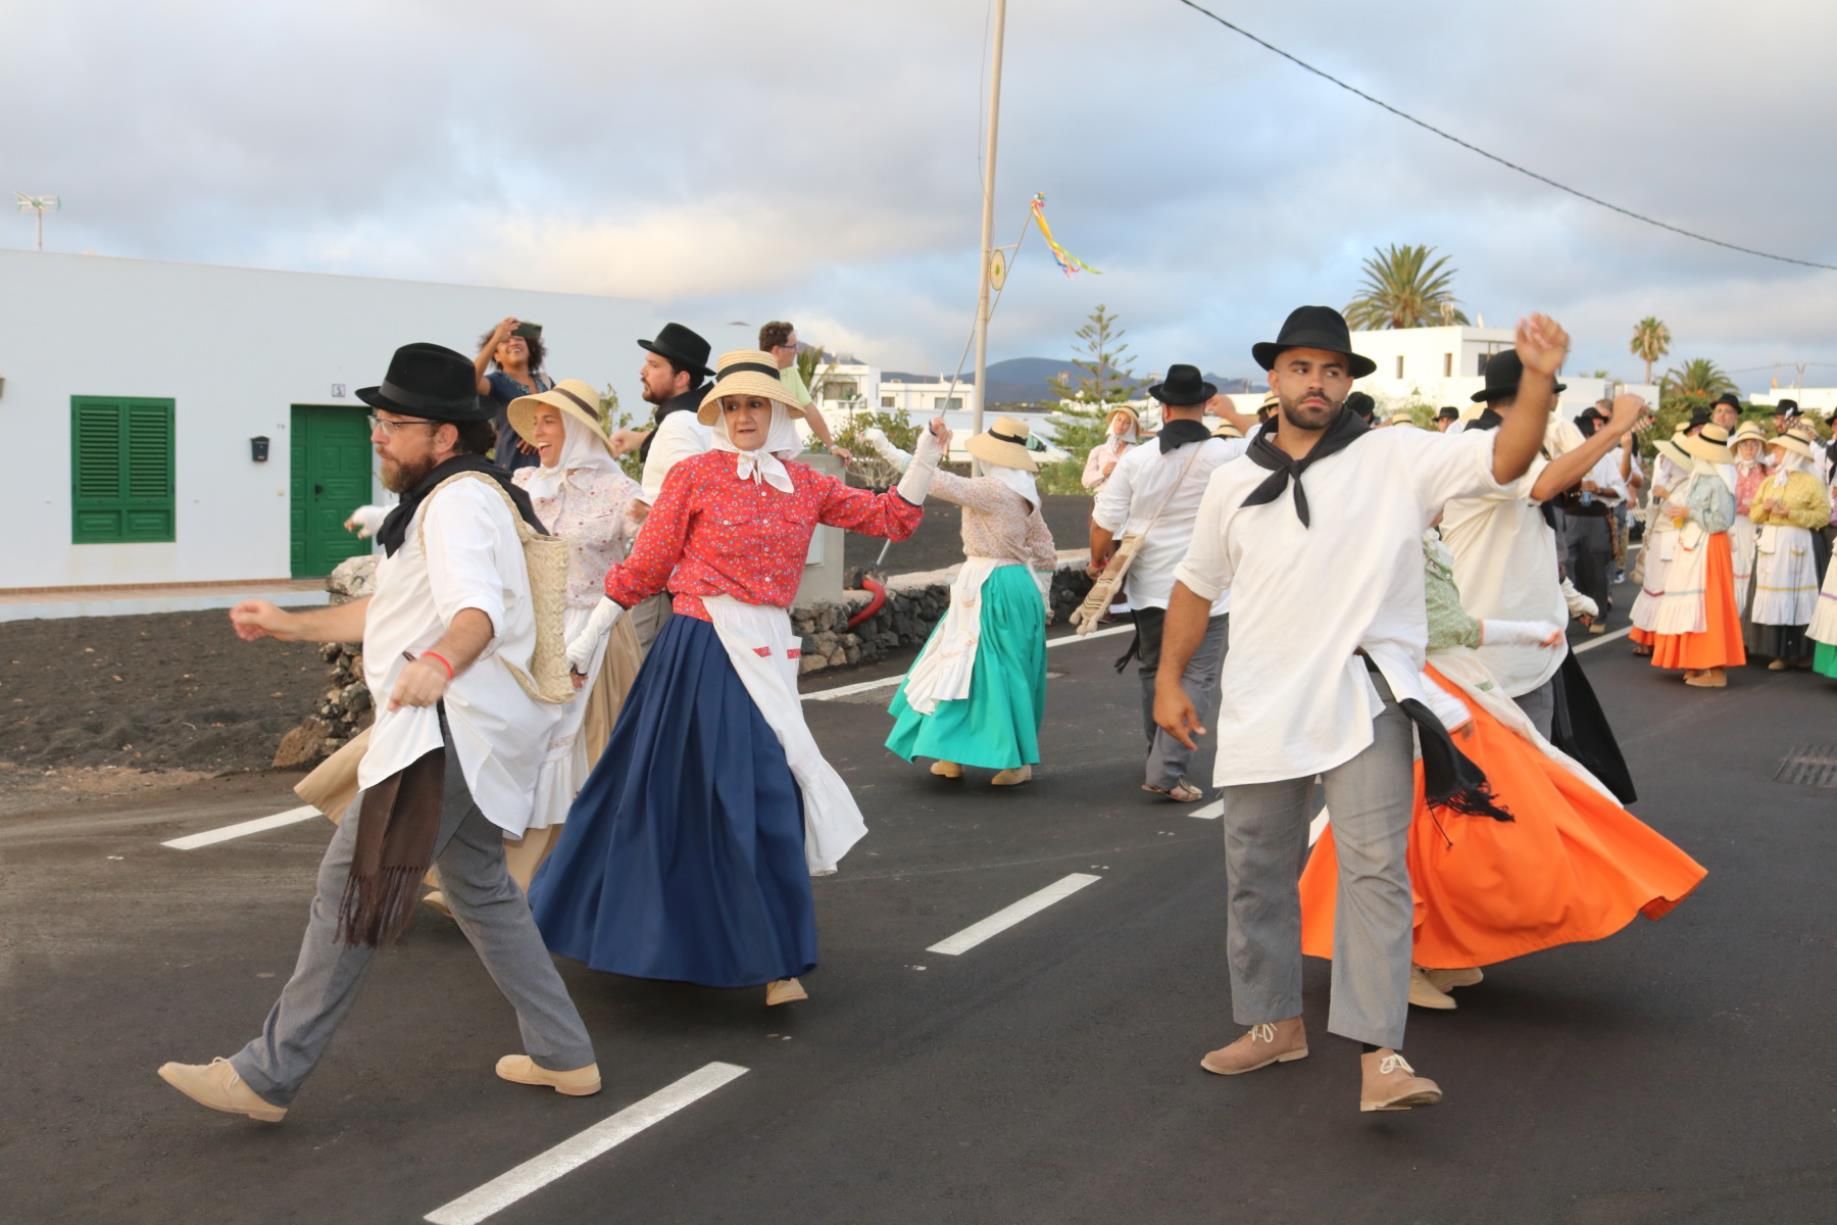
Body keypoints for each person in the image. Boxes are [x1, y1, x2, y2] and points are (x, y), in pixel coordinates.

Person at [159, 343, 600, 1123]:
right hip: (463, 731)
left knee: (353, 890)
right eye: (378, 419)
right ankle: (565, 1054)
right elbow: (387, 612)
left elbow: (476, 613)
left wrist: (438, 661)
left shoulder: (459, 501)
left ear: (444, 434)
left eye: (395, 422)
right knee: (483, 891)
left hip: (446, 731)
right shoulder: (437, 500)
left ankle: (267, 1075)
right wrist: (290, 625)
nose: (377, 434)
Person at [1155, 304, 1570, 1113]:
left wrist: (1539, 381)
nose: (1318, 382)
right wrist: (1170, 678)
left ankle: (1382, 1054)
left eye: (1333, 370)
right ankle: (1273, 1023)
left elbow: (1506, 456)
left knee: (1375, 869)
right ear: (1272, 379)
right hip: (1262, 698)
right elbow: (1195, 584)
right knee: (1256, 872)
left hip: (1365, 691)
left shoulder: (1395, 456)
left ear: (1347, 383)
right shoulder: (1232, 479)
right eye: (1302, 367)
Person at [529, 351, 945, 1007]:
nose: (743, 415)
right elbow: (645, 564)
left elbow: (891, 516)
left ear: (777, 410)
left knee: (763, 796)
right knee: (662, 795)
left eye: (755, 403)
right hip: (696, 650)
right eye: (732, 405)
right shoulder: (694, 474)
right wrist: (588, 636)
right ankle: (648, 936)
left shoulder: (805, 484)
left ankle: (775, 958)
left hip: (765, 652)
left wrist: (923, 457)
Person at [1298, 531, 1705, 1008]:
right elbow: (1378, 637)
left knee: (1482, 819)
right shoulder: (1381, 539)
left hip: (1448, 688)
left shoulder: (1417, 534)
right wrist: (1438, 701)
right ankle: (1399, 959)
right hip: (1409, 697)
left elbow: (1451, 627)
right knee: (1423, 827)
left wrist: (1524, 633)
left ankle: (1436, 949)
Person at [1443, 351, 1643, 737]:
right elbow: (1546, 484)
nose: (1552, 405)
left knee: (1534, 777)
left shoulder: (1515, 448)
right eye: (1546, 396)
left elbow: (1530, 539)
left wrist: (1567, 596)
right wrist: (1615, 428)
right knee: (1498, 783)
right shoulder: (1484, 447)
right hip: (1493, 657)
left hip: (1527, 648)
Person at [874, 416, 1056, 787]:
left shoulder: (991, 490)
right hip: (1017, 584)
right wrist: (1044, 596)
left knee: (967, 665)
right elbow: (1045, 551)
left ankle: (968, 755)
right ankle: (989, 757)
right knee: (1003, 670)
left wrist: (884, 446)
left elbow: (929, 480)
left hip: (988, 585)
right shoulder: (1026, 496)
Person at [1091, 366, 1244, 802]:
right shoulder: (1229, 455)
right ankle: (1166, 768)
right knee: (1196, 672)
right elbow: (1277, 441)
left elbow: (1104, 524)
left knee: (1154, 671)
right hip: (1209, 585)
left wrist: (1098, 561)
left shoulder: (1136, 460)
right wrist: (1233, 411)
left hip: (1149, 585)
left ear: (1164, 407)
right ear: (1203, 406)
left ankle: (1155, 752)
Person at [1649, 424, 1746, 686]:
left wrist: (1688, 513)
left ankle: (1715, 669)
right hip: (1694, 543)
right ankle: (1698, 662)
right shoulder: (1700, 478)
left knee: (1709, 604)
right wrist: (1682, 514)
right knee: (1695, 602)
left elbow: (1722, 520)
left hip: (1710, 547)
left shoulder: (1717, 481)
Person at [1745, 429, 1833, 669]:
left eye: (1780, 449)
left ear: (1793, 453)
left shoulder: (1810, 483)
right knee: (1772, 596)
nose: (1775, 453)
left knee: (1796, 598)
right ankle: (1776, 650)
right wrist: (1765, 508)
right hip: (1772, 543)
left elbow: (1823, 515)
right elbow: (1754, 513)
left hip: (1797, 544)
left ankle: (1797, 651)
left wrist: (1790, 513)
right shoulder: (1770, 481)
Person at [1628, 435, 1693, 658]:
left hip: (1674, 538)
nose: (1665, 460)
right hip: (1657, 538)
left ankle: (1661, 637)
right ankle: (1645, 636)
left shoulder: (1688, 484)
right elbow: (1651, 510)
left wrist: (1666, 496)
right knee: (1651, 585)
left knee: (1667, 588)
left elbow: (1682, 513)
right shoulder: (1663, 481)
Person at [758, 320, 849, 458]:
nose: (797, 351)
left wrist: (832, 446)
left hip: (782, 456)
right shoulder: (752, 376)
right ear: (777, 350)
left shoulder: (791, 373)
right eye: (793, 346)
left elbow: (810, 411)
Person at [473, 316, 553, 473]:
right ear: (496, 355)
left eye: (519, 339)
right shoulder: (496, 382)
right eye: (506, 341)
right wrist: (496, 337)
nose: (514, 342)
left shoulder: (546, 382)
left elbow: (564, 418)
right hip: (511, 468)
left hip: (547, 471)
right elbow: (469, 381)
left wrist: (537, 436)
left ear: (530, 349)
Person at [1729, 420, 1769, 616]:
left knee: (1754, 570)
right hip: (1735, 525)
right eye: (1745, 443)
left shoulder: (1766, 471)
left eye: (1754, 443)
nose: (1749, 448)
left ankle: (1749, 621)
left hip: (1758, 526)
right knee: (1735, 569)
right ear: (1738, 446)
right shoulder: (1730, 470)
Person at [1082, 406, 1142, 492]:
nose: (1121, 425)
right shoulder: (1098, 451)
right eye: (1119, 419)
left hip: (1126, 503)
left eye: (1127, 422)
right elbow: (1086, 482)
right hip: (1101, 502)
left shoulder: (1136, 453)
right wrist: (1102, 473)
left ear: (1132, 427)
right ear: (1113, 421)